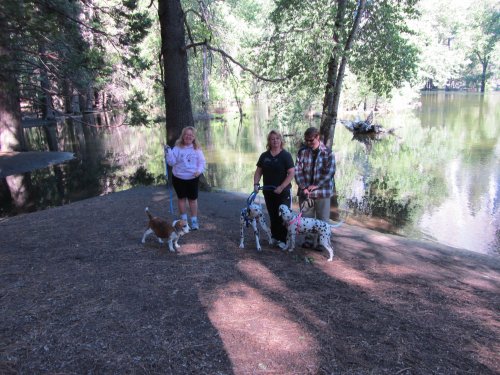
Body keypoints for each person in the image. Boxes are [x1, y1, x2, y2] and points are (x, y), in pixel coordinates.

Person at [294, 127, 336, 248]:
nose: (308, 143)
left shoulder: (328, 153)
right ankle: (309, 240)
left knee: (323, 219)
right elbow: (297, 171)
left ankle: (322, 242)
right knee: (307, 218)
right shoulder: (302, 152)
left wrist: (317, 185)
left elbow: (330, 172)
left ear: (318, 137)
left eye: (311, 140)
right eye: (306, 140)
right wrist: (303, 187)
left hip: (322, 192)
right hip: (305, 192)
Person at [253, 130, 295, 249]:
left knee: (284, 216)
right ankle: (275, 237)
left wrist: (281, 187)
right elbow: (258, 172)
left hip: (283, 192)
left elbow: (291, 173)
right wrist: (256, 184)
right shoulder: (264, 156)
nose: (275, 141)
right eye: (272, 139)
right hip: (268, 191)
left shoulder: (286, 155)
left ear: (281, 140)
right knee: (272, 214)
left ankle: (284, 240)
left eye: (277, 138)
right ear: (269, 141)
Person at [166, 126, 206, 230]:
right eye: (186, 134)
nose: (189, 136)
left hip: (193, 177)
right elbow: (171, 162)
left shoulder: (197, 148)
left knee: (193, 200)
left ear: (194, 137)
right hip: (178, 178)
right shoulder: (177, 148)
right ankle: (184, 221)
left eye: (191, 135)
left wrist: (199, 171)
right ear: (183, 136)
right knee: (181, 199)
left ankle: (194, 221)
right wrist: (168, 153)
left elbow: (202, 162)